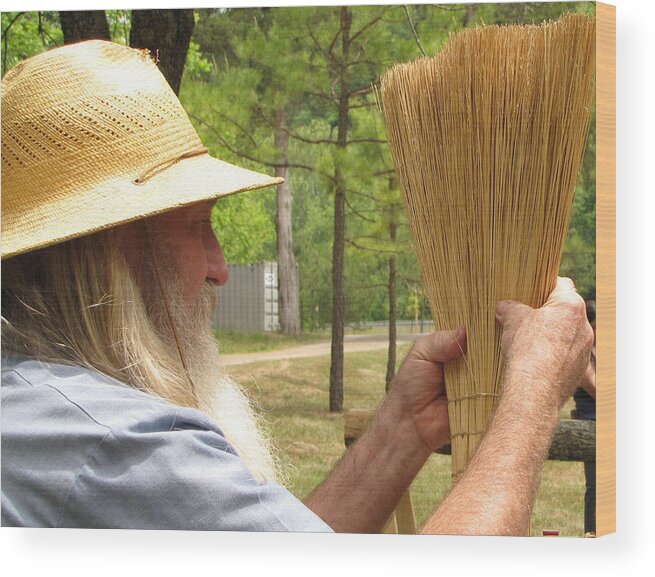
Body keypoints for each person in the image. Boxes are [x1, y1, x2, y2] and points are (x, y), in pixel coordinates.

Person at [1, 40, 593, 534]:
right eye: (198, 226)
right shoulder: (117, 446)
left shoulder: (34, 414)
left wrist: (401, 431)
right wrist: (533, 392)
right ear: (114, 253)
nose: (220, 267)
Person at [573, 300, 597, 536]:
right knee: (595, 484)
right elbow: (596, 387)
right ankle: (592, 531)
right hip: (590, 423)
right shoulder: (583, 355)